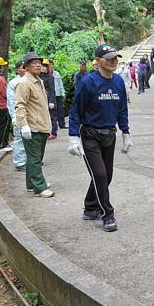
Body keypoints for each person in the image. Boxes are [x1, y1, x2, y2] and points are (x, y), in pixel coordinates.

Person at [68, 44, 133, 232]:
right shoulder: (88, 82)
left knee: (106, 175)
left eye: (115, 58)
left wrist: (126, 133)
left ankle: (90, 207)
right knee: (100, 175)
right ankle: (108, 215)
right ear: (98, 61)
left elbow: (122, 109)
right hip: (90, 135)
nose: (113, 61)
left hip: (109, 135)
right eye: (108, 58)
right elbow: (75, 110)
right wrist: (73, 137)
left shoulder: (119, 82)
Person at [15, 52, 54, 198]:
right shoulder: (24, 83)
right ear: (26, 66)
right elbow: (20, 105)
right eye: (34, 63)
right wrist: (23, 125)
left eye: (39, 62)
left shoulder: (38, 80)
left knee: (35, 157)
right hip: (32, 127)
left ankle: (32, 184)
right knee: (35, 158)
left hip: (41, 124)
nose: (38, 65)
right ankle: (39, 188)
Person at [7, 61, 27, 171]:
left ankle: (30, 160)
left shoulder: (31, 80)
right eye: (22, 67)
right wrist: (14, 117)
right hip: (19, 114)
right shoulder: (13, 83)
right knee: (19, 138)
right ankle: (20, 162)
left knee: (30, 139)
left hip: (30, 115)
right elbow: (11, 101)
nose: (24, 69)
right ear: (17, 70)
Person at [41, 59, 58, 140]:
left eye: (45, 66)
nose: (43, 68)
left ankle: (54, 133)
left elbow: (52, 90)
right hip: (43, 100)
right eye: (42, 66)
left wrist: (51, 101)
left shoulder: (50, 77)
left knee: (52, 117)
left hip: (50, 100)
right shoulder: (39, 77)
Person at [52, 61, 66, 129]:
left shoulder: (57, 74)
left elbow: (60, 84)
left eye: (51, 65)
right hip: (51, 96)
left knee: (60, 110)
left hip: (58, 94)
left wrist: (63, 93)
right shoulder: (45, 75)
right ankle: (54, 126)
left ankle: (62, 125)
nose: (50, 66)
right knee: (53, 111)